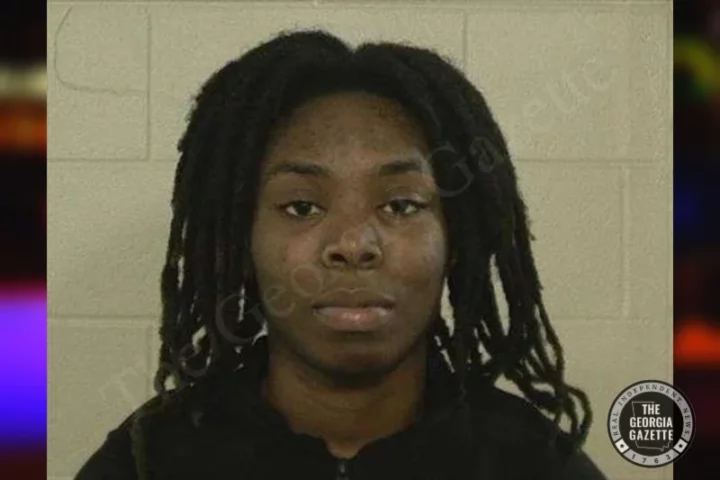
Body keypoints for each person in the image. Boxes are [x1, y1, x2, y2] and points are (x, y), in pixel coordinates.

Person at [76, 29, 607, 479]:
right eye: (302, 207)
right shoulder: (150, 463)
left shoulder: (533, 466)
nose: (353, 245)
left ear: (455, 240)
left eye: (400, 205)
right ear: (242, 238)